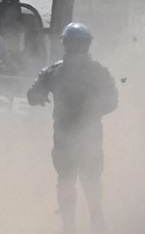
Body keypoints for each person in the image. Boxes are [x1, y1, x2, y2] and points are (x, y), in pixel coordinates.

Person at [28, 22, 118, 234]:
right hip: (85, 135)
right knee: (88, 181)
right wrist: (96, 108)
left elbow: (32, 96)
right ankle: (95, 224)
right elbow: (112, 102)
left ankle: (73, 227)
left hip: (71, 136)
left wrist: (41, 96)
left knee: (69, 181)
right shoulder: (97, 71)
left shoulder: (53, 71)